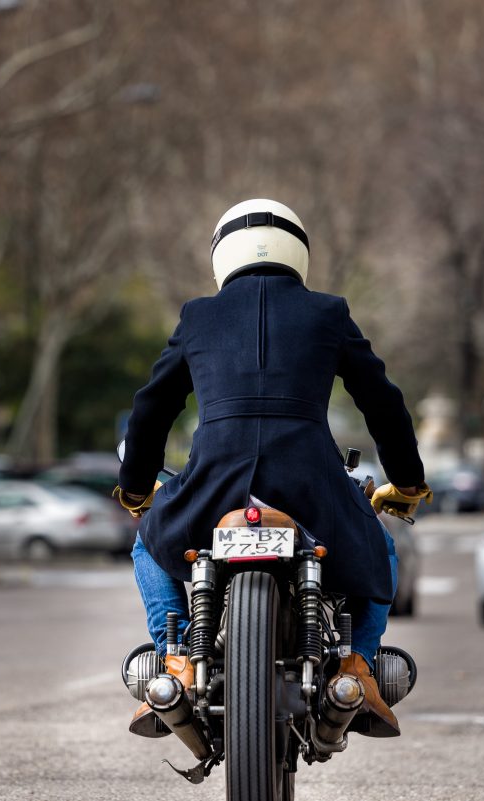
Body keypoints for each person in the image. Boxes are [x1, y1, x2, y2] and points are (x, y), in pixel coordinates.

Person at [114, 198, 430, 739]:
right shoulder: (329, 313)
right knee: (381, 545)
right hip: (311, 487)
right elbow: (383, 402)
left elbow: (150, 408)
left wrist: (137, 489)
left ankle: (176, 659)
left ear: (221, 256)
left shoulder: (199, 315)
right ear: (299, 253)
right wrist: (406, 482)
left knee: (149, 540)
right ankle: (357, 667)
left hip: (214, 483)